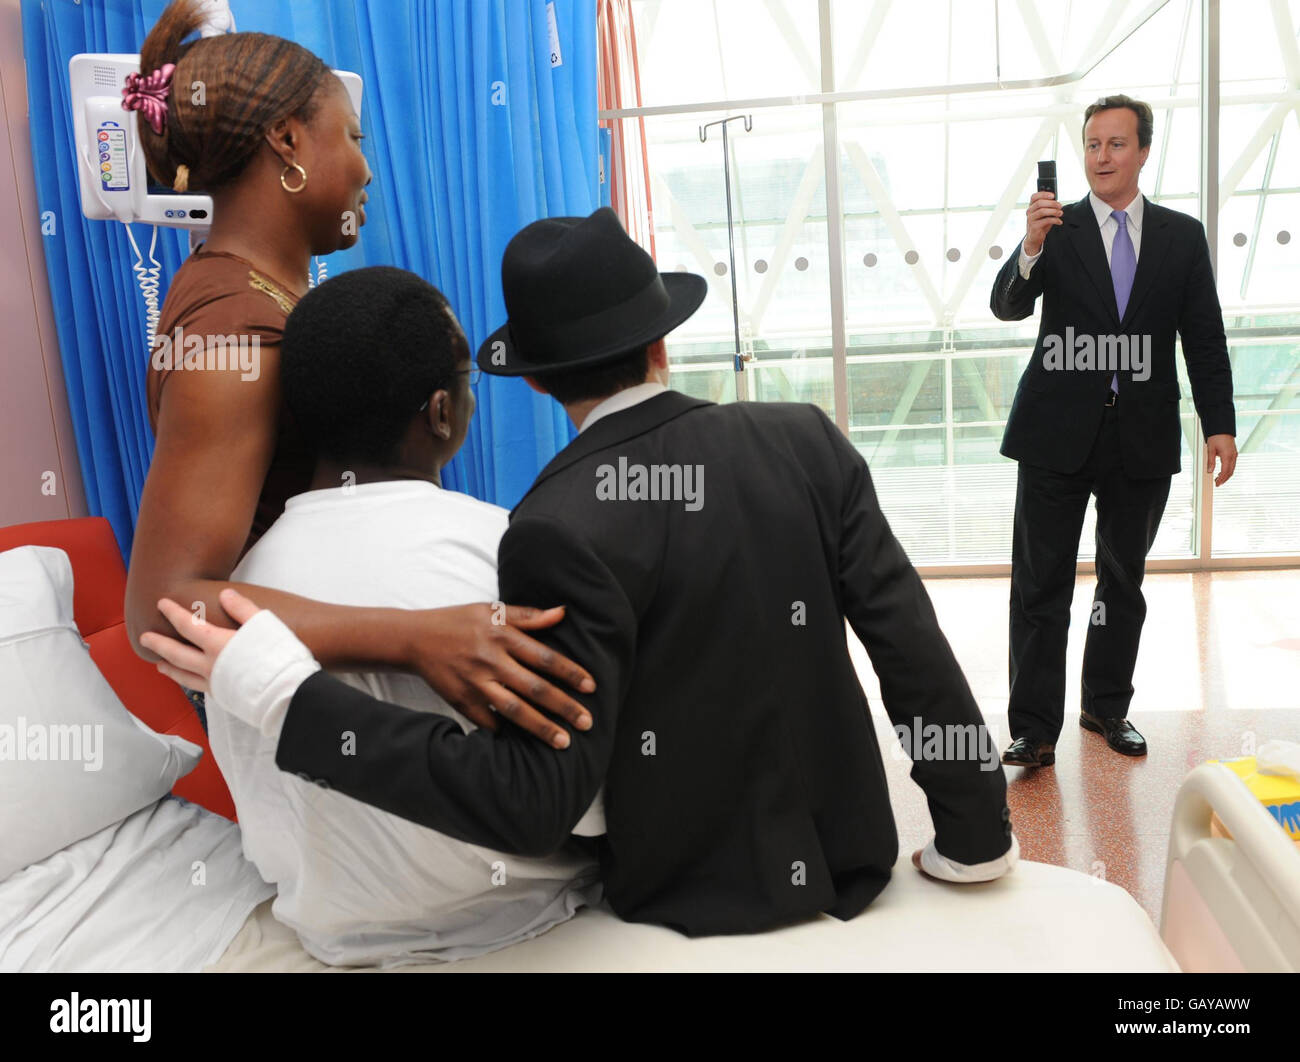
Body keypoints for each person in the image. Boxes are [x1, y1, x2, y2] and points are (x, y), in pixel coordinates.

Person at [146, 207, 1017, 939]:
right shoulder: (803, 439)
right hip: (850, 860)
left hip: (681, 906)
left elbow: (541, 795)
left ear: (535, 382)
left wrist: (288, 695)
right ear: (661, 339)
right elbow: (911, 648)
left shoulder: (549, 524)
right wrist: (973, 836)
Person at [124, 0, 593, 747]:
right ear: (287, 142)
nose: (368, 167)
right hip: (315, 726)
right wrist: (415, 638)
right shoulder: (231, 338)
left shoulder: (274, 294)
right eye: (352, 136)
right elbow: (162, 610)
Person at [200, 266, 600, 965]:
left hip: (333, 939)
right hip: (538, 922)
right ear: (441, 412)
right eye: (468, 382)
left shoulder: (238, 595)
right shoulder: (509, 547)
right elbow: (586, 799)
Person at [991, 95, 1237, 768]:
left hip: (1143, 436)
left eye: (1116, 144)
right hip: (1054, 435)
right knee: (1040, 584)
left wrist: (1220, 424)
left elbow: (1204, 337)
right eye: (1093, 145)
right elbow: (1006, 306)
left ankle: (1106, 706)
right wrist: (1030, 247)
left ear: (1144, 151)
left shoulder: (1181, 237)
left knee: (1122, 582)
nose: (1102, 156)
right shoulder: (1057, 227)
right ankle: (1034, 730)